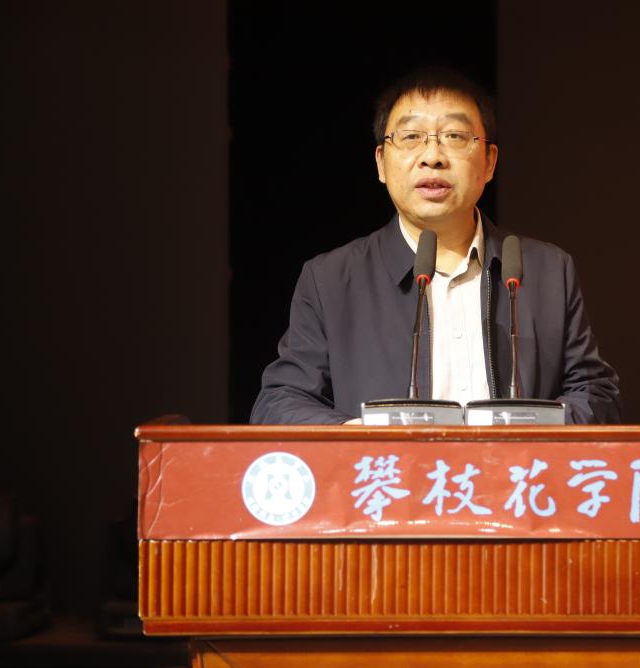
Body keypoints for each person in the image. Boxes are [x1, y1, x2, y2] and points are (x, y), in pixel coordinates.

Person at [251, 67, 620, 425]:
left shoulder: (546, 270)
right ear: (381, 163)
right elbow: (280, 402)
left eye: (455, 136)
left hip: (516, 468)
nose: (433, 157)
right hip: (387, 469)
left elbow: (596, 393)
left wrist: (536, 430)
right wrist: (359, 437)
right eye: (411, 137)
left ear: (489, 162)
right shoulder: (331, 279)